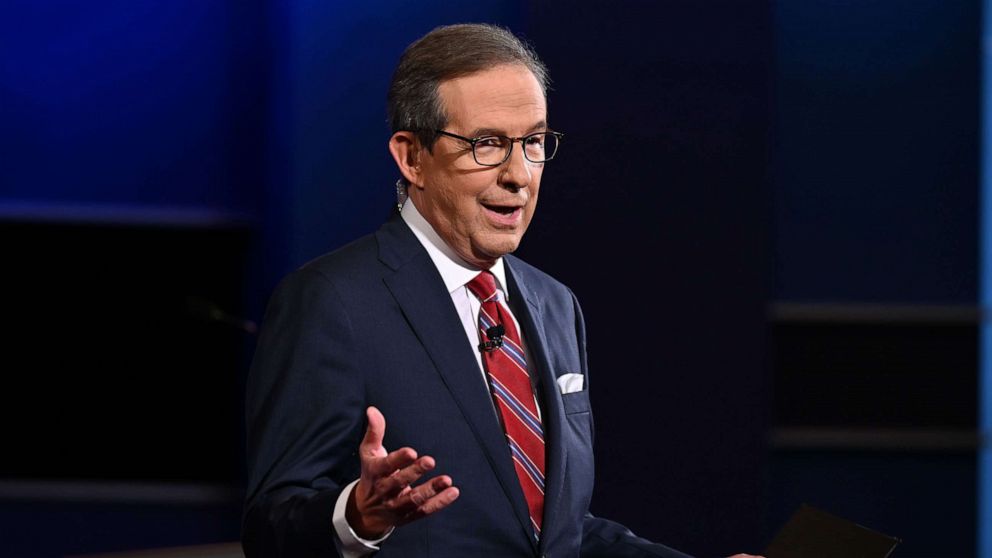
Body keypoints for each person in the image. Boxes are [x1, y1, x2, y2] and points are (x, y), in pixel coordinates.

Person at [243, 23, 761, 558]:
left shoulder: (555, 305)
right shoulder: (332, 301)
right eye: (486, 144)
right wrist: (357, 516)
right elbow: (270, 527)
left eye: (533, 142)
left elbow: (557, 532)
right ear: (412, 158)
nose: (519, 175)